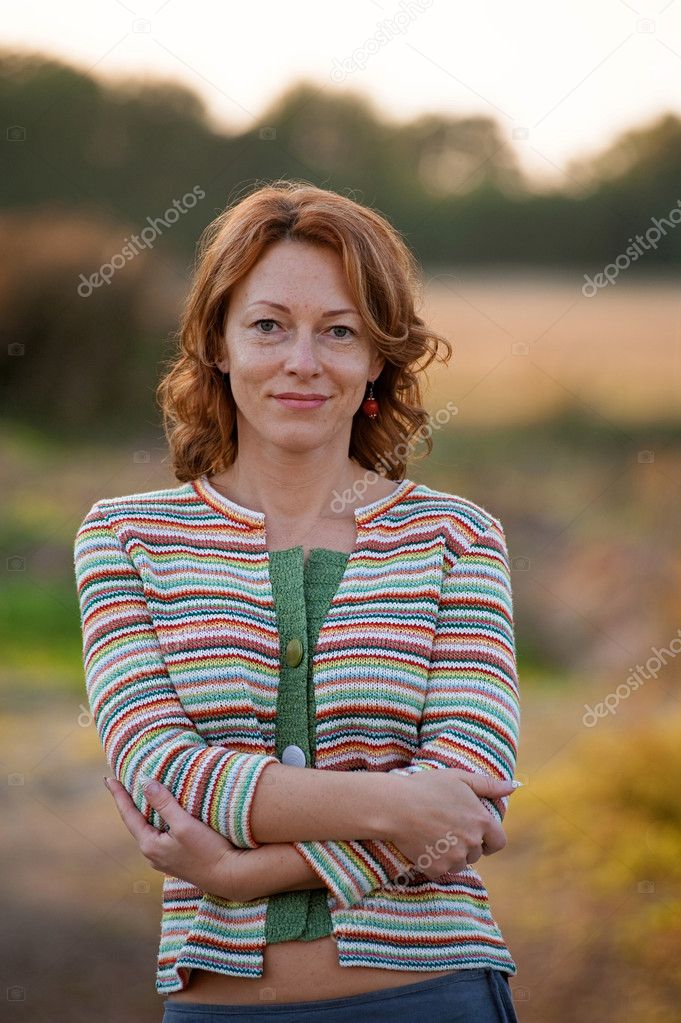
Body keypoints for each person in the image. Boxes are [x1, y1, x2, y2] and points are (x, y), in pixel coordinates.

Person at [74, 180, 521, 1023]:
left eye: (340, 331)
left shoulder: (456, 539)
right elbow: (166, 770)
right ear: (217, 342)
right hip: (218, 1006)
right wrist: (398, 801)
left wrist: (243, 871)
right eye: (269, 325)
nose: (302, 362)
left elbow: (469, 799)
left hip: (436, 995)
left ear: (379, 355)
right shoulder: (126, 539)